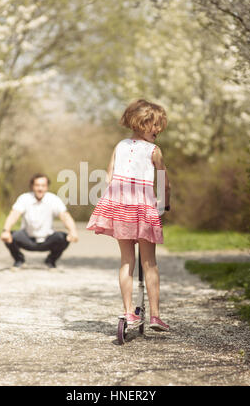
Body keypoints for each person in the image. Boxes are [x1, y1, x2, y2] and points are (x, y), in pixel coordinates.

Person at [86, 99, 171, 331]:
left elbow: (108, 178)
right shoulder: (154, 151)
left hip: (120, 207)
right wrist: (164, 206)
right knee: (149, 263)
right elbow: (164, 184)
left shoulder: (120, 146)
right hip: (143, 209)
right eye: (155, 126)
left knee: (126, 261)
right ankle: (154, 315)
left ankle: (128, 312)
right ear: (143, 124)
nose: (158, 131)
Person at [1, 173, 78, 270]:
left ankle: (51, 261)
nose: (40, 188)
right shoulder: (24, 198)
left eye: (43, 185)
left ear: (47, 187)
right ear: (32, 186)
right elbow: (14, 214)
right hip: (27, 239)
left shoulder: (53, 199)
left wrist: (73, 231)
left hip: (47, 239)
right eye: (37, 185)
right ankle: (19, 260)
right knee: (9, 236)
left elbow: (65, 216)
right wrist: (5, 230)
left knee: (64, 238)